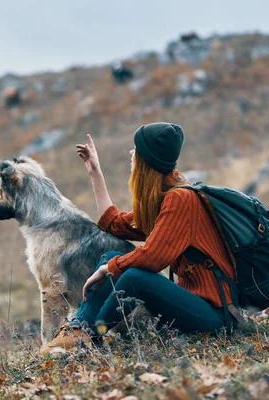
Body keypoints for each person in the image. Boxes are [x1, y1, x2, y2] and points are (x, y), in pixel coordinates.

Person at [40, 122, 240, 355]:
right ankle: (78, 331)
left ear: (148, 162)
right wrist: (95, 172)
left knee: (132, 275)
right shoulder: (166, 200)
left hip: (216, 318)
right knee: (114, 257)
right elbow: (113, 223)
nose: (131, 154)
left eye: (137, 150)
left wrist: (107, 269)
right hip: (194, 307)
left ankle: (90, 337)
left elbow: (153, 258)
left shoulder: (181, 201)